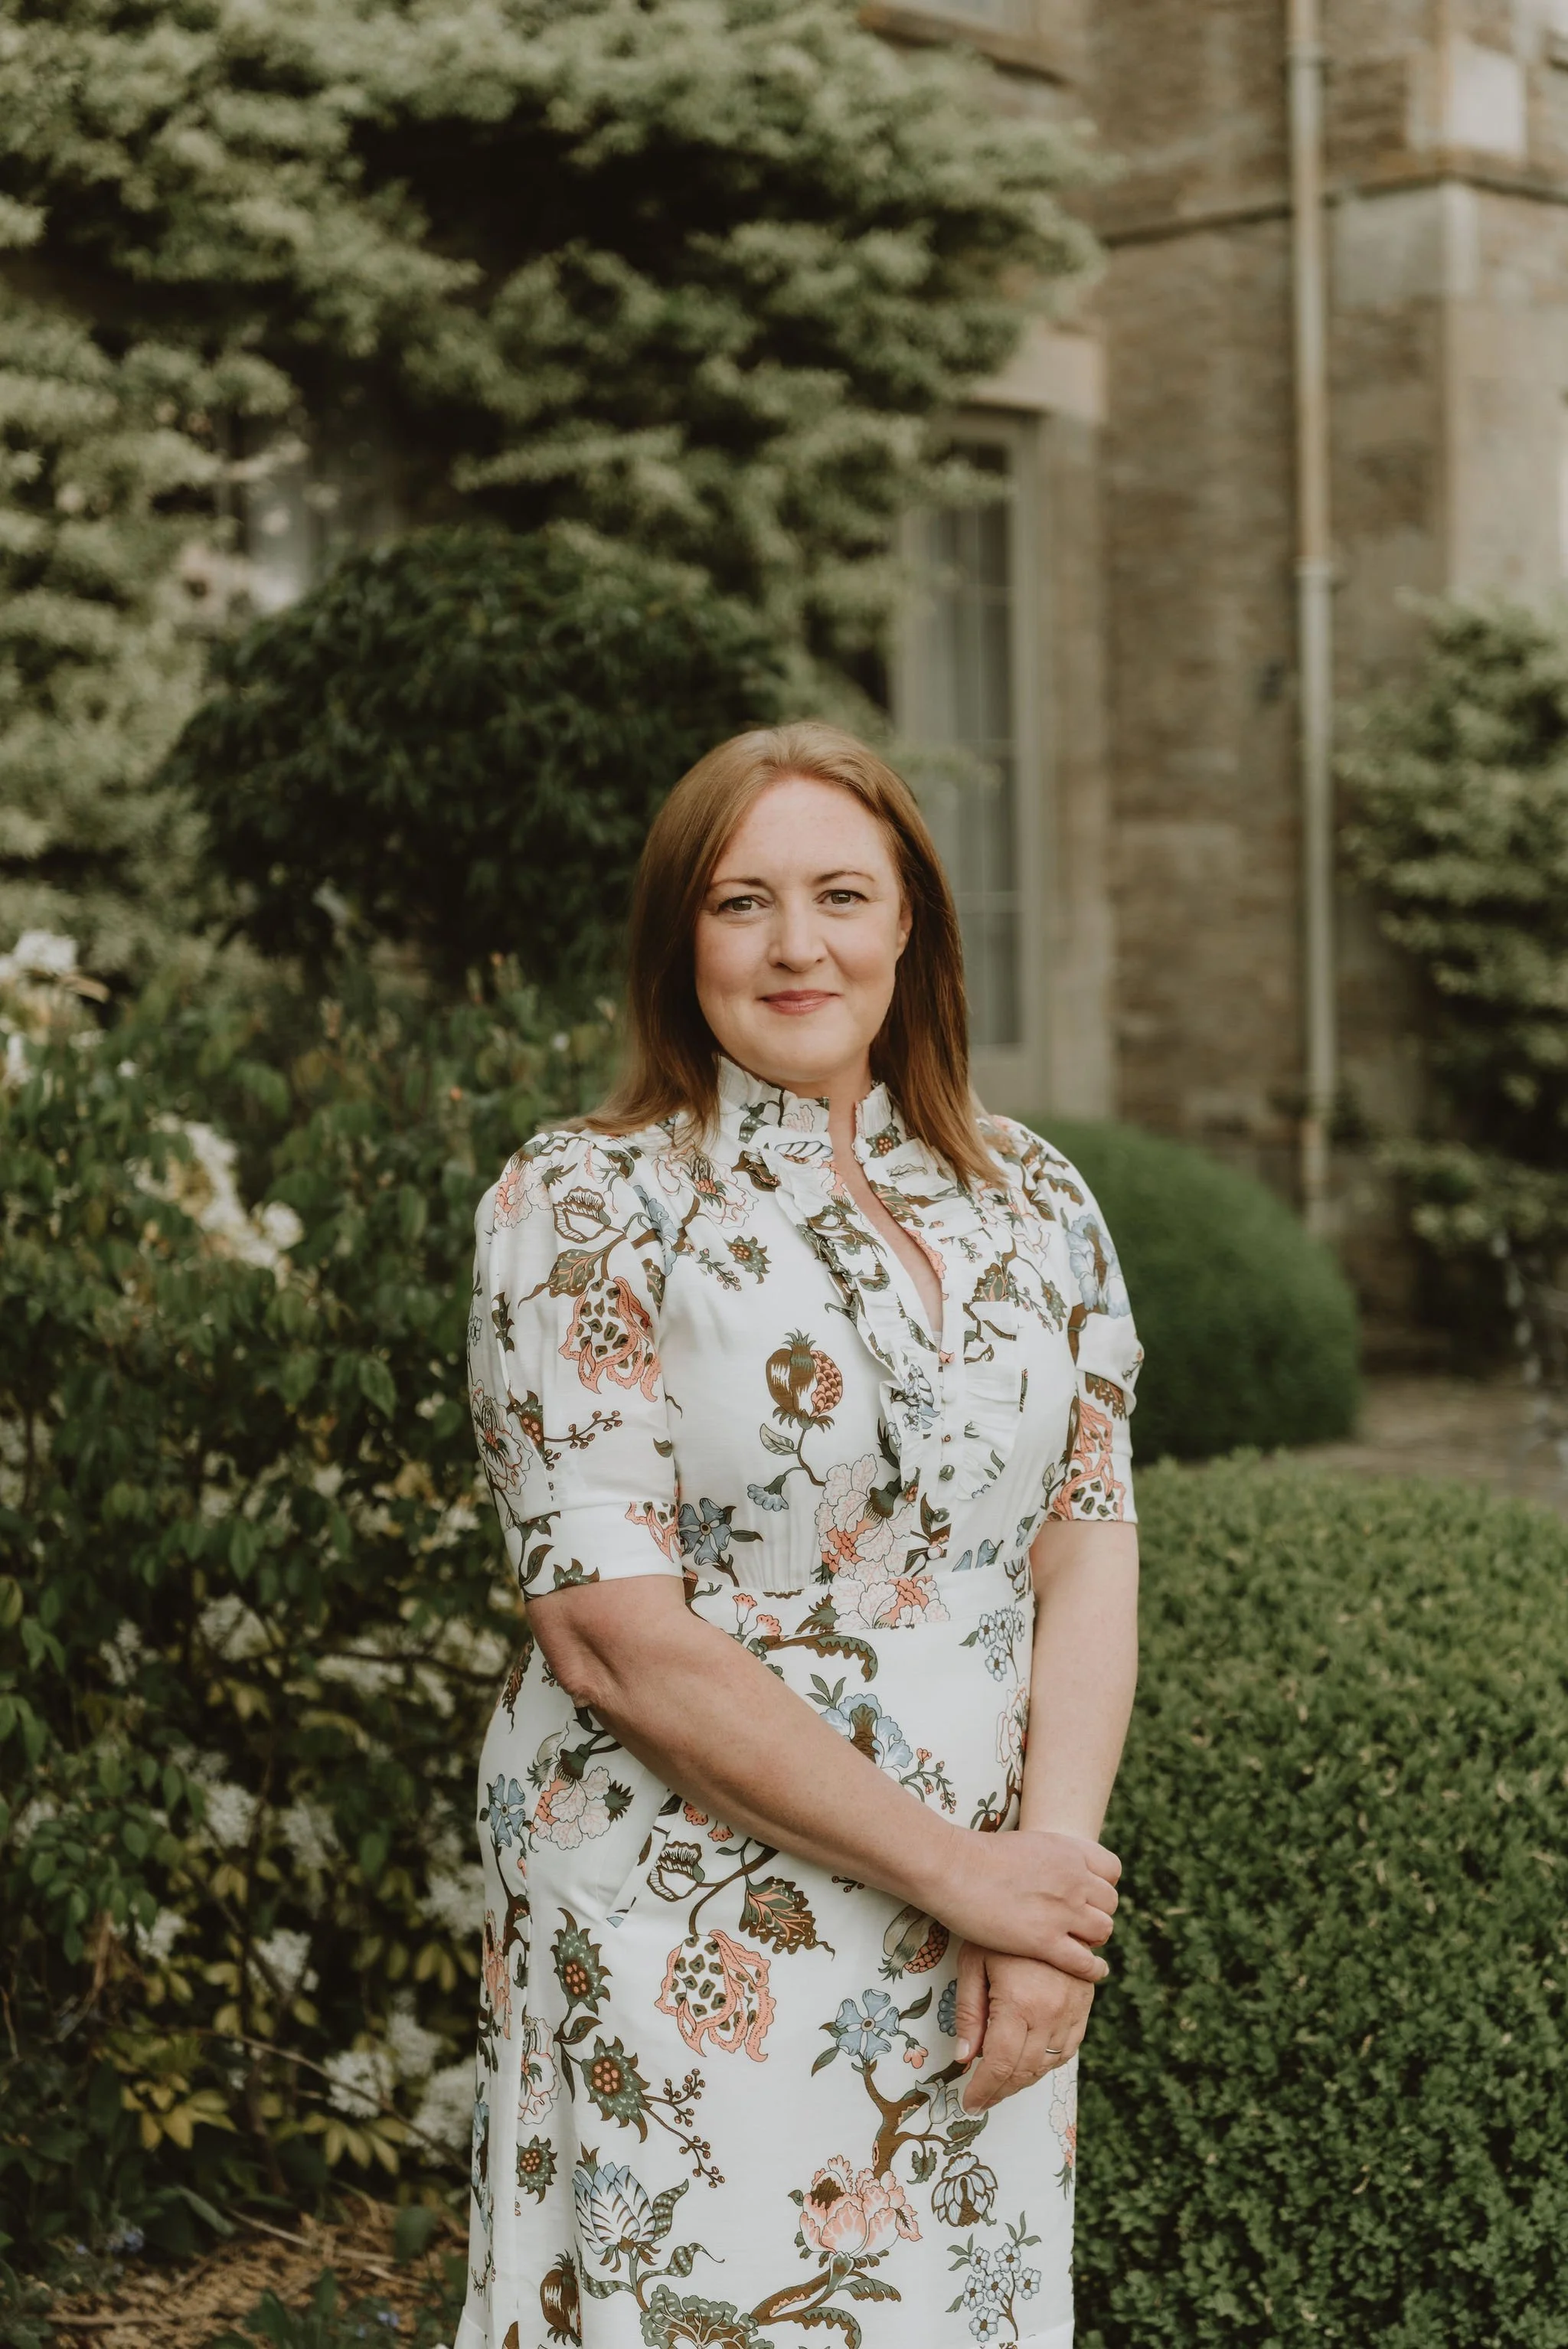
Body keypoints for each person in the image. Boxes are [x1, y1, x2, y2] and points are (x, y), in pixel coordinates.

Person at [457, 723, 1142, 2349]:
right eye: (739, 901)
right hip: (690, 1905)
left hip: (987, 1910)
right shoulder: (581, 1206)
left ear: (910, 923)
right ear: (673, 937)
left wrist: (1043, 1893)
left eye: (841, 893)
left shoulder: (1034, 1198)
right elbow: (606, 1629)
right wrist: (962, 1874)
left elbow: (1086, 1538)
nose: (795, 944)